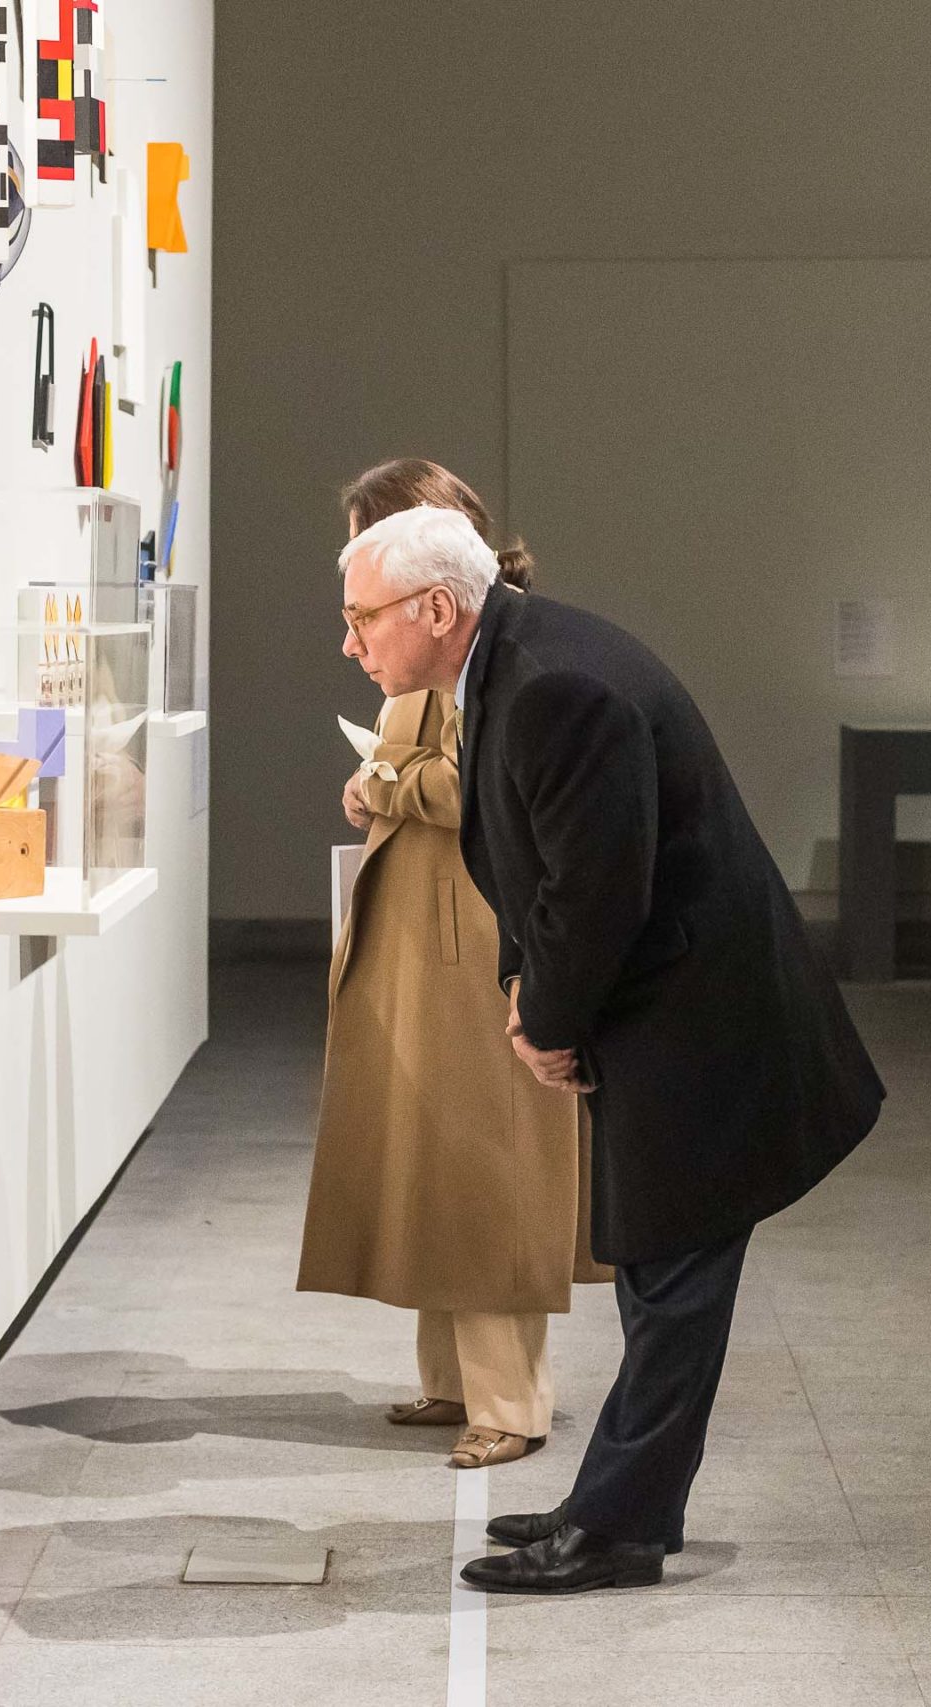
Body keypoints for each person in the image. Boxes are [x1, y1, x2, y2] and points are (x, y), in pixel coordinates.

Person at [335, 497, 884, 1596]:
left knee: (675, 1274)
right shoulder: (511, 662)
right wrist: (530, 991)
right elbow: (538, 860)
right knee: (657, 1266)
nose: (350, 643)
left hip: (703, 1016)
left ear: (435, 610)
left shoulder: (552, 686)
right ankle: (617, 1506)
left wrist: (546, 1018)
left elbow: (597, 891)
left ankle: (618, 1528)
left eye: (362, 618)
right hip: (668, 1003)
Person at [298, 462, 607, 1473]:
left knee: (487, 1168)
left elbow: (485, 780)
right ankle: (453, 1382)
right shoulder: (446, 644)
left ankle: (510, 1403)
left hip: (472, 938)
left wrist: (383, 779)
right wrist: (379, 780)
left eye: (366, 544)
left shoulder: (497, 650)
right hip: (422, 936)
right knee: (432, 1164)